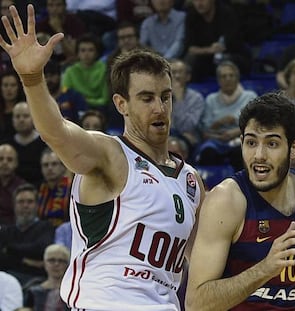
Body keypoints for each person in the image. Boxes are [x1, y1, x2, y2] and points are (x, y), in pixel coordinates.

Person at [0, 5, 204, 310]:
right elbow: (56, 131)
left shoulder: (190, 179)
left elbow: (205, 261)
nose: (159, 108)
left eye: (165, 96)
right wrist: (31, 78)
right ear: (121, 104)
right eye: (146, 98)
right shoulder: (109, 153)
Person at [186, 92, 295, 310]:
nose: (259, 155)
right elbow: (197, 303)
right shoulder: (227, 200)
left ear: (294, 148)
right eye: (251, 142)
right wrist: (265, 269)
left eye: (271, 143)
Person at [196, 60, 257, 170]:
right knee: (207, 152)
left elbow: (255, 125)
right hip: (216, 140)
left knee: (240, 152)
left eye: (231, 75)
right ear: (218, 80)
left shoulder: (250, 96)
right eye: (223, 76)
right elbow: (205, 131)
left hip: (241, 139)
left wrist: (235, 132)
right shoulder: (211, 99)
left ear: (237, 78)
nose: (227, 79)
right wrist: (219, 123)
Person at [0, 183, 55, 286]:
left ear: (37, 205)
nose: (25, 205)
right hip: (7, 281)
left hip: (36, 280)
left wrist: (9, 249)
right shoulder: (6, 230)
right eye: (21, 202)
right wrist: (26, 260)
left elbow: (41, 248)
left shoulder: (46, 227)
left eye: (30, 202)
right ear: (14, 206)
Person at [184, 0, 251, 82]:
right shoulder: (191, 15)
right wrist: (209, 50)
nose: (199, 3)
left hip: (231, 54)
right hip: (205, 58)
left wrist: (218, 49)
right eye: (196, 0)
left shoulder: (227, 13)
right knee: (190, 59)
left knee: (225, 60)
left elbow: (232, 44)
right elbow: (191, 48)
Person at [2, 101, 47, 186]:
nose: (21, 120)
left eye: (25, 116)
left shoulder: (44, 142)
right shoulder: (7, 143)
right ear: (12, 119)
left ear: (34, 118)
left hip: (42, 188)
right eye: (17, 117)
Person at [61, 33, 110, 112]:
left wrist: (85, 101)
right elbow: (65, 92)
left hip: (100, 108)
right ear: (78, 53)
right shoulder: (70, 71)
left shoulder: (104, 69)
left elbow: (105, 99)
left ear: (97, 53)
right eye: (83, 50)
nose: (86, 54)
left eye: (91, 50)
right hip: (76, 108)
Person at [36, 0, 87, 66]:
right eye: (51, 5)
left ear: (65, 6)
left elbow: (73, 53)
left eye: (58, 5)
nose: (54, 9)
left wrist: (59, 30)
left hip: (71, 63)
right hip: (49, 65)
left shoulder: (75, 23)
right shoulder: (41, 25)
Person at [170, 58, 205, 151]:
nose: (177, 76)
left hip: (186, 143)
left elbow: (187, 127)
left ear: (188, 76)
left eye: (180, 72)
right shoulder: (159, 97)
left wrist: (179, 100)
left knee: (175, 145)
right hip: (165, 137)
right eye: (173, 72)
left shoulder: (196, 98)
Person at [24, 244, 70, 311]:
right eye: (51, 260)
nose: (56, 264)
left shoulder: (74, 291)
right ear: (44, 263)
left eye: (61, 261)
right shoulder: (33, 290)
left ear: (67, 265)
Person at [44, 59, 87, 123]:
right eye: (46, 76)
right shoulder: (39, 99)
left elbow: (83, 119)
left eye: (52, 75)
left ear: (59, 76)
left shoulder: (74, 96)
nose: (49, 79)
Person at [38, 148, 71, 228]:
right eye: (46, 165)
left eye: (54, 164)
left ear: (63, 166)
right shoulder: (39, 189)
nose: (50, 168)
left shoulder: (71, 188)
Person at [0, 143, 26, 225]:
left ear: (16, 163)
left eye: (10, 159)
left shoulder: (22, 187)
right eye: (0, 159)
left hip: (13, 231)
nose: (5, 163)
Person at [0, 69, 25, 141]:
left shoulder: (26, 109)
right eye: (5, 85)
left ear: (19, 88)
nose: (9, 89)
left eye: (13, 85)